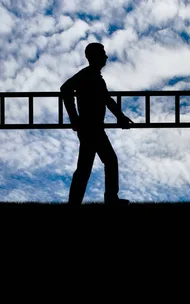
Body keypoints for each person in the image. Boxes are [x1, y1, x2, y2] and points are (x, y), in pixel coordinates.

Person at [61, 42, 134, 205]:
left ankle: (84, 201)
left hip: (93, 127)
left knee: (91, 165)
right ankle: (105, 199)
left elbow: (107, 100)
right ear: (94, 56)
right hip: (90, 127)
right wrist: (74, 118)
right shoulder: (87, 75)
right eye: (103, 53)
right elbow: (65, 89)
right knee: (99, 163)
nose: (106, 57)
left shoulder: (95, 77)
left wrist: (120, 116)